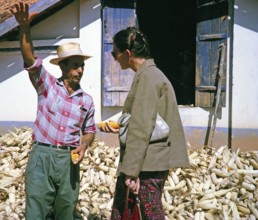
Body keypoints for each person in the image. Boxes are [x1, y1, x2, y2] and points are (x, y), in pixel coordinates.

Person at [10, 2, 96, 219]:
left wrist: (84, 145)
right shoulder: (46, 86)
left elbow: (90, 129)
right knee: (37, 209)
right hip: (42, 155)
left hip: (69, 159)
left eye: (82, 65)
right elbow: (29, 58)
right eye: (75, 65)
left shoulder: (86, 100)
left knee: (66, 209)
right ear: (63, 67)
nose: (80, 70)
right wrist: (24, 28)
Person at [99, 27, 190, 219]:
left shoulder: (148, 77)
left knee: (148, 213)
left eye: (115, 53)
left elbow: (141, 127)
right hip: (147, 161)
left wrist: (131, 172)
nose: (114, 58)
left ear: (128, 53)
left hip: (147, 164)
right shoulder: (149, 75)